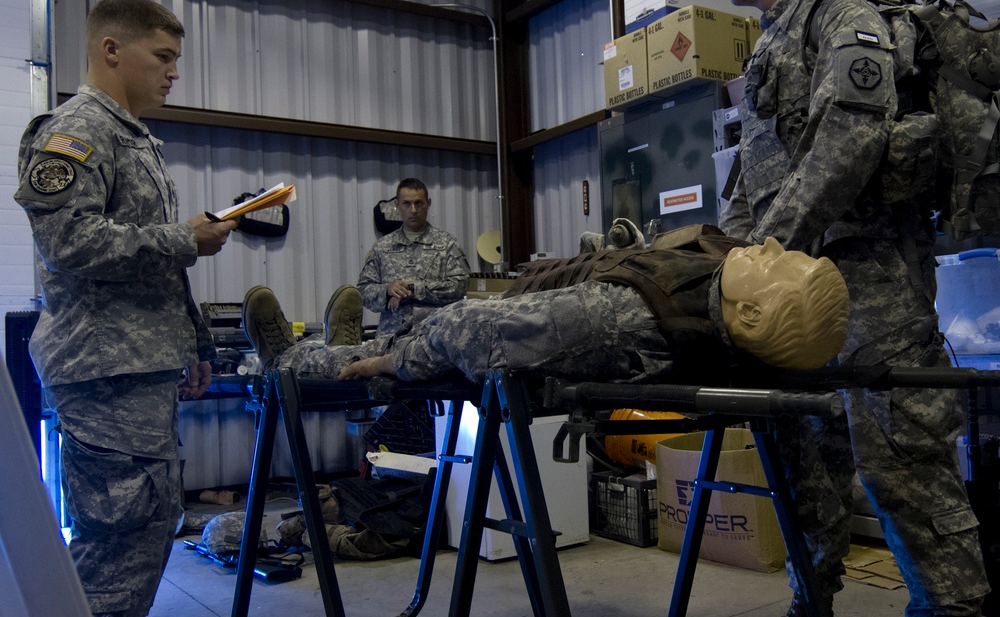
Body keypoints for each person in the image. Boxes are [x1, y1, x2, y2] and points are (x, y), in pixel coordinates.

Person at [697, 0, 989, 617]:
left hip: (867, 281)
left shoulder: (843, 13)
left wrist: (770, 249)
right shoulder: (772, 38)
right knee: (798, 453)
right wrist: (728, 260)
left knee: (903, 461)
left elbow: (851, 142)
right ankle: (809, 612)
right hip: (792, 290)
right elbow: (760, 169)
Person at [14, 0, 237, 617]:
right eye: (163, 57)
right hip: (100, 364)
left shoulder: (133, 138)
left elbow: (154, 272)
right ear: (112, 49)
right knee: (124, 519)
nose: (175, 72)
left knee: (140, 514)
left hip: (135, 359)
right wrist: (184, 238)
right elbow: (70, 246)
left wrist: (196, 347)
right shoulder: (76, 131)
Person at [241, 224, 850, 388]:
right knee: (402, 335)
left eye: (779, 264)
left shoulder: (615, 319)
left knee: (380, 351)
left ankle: (290, 361)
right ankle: (337, 343)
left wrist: (399, 359)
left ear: (749, 317)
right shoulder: (720, 275)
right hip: (535, 294)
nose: (770, 244)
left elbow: (477, 333)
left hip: (477, 325)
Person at [357, 177, 470, 337]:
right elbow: (363, 290)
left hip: (435, 336)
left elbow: (460, 286)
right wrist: (387, 290)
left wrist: (417, 289)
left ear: (428, 203)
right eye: (406, 204)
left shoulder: (447, 244)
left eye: (419, 203)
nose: (413, 210)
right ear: (397, 205)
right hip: (391, 338)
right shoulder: (382, 246)